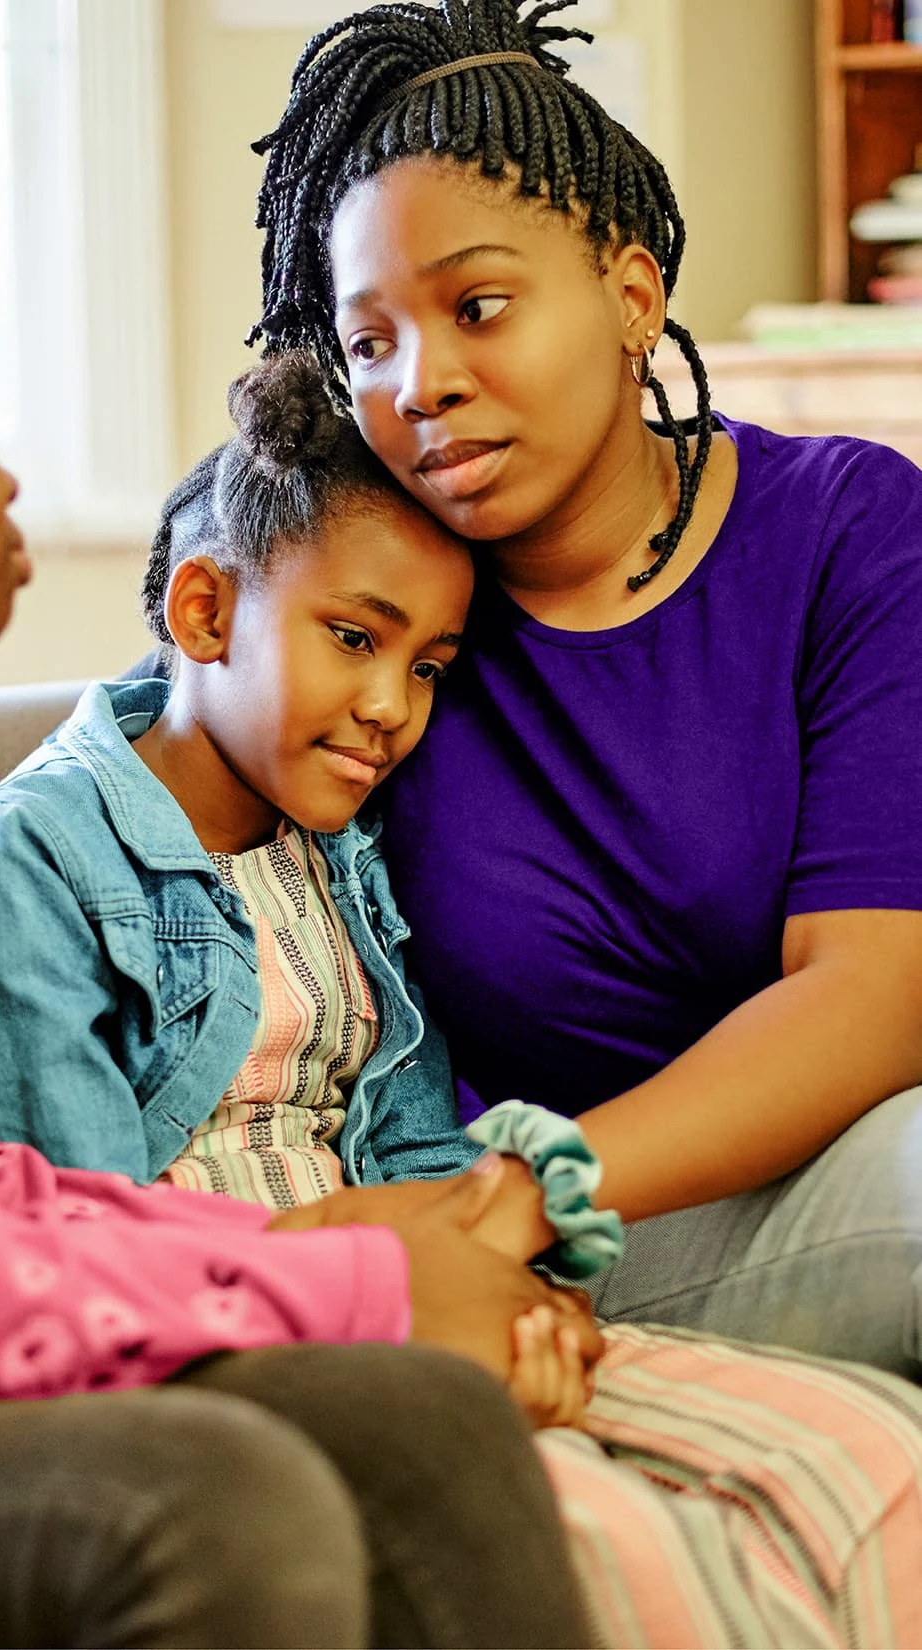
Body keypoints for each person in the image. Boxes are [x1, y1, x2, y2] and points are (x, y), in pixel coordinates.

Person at [0, 104, 597, 1650]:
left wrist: (378, 1263)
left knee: (419, 1422)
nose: (9, 482)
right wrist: (349, 1283)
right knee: (207, 1496)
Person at [0, 352, 922, 1650]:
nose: (394, 708)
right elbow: (76, 1242)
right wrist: (401, 1297)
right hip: (243, 1339)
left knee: (867, 1453)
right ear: (206, 609)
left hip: (423, 1293)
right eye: (353, 638)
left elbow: (414, 1146)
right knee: (617, 1546)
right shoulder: (21, 866)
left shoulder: (340, 852)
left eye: (434, 663)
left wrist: (516, 1293)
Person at [246, 0, 922, 1376]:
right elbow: (157, 769)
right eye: (367, 344)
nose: (420, 384)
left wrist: (512, 1197)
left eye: (477, 306)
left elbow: (875, 988)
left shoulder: (849, 529)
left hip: (750, 1176)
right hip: (606, 1241)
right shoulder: (378, 619)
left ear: (629, 296)